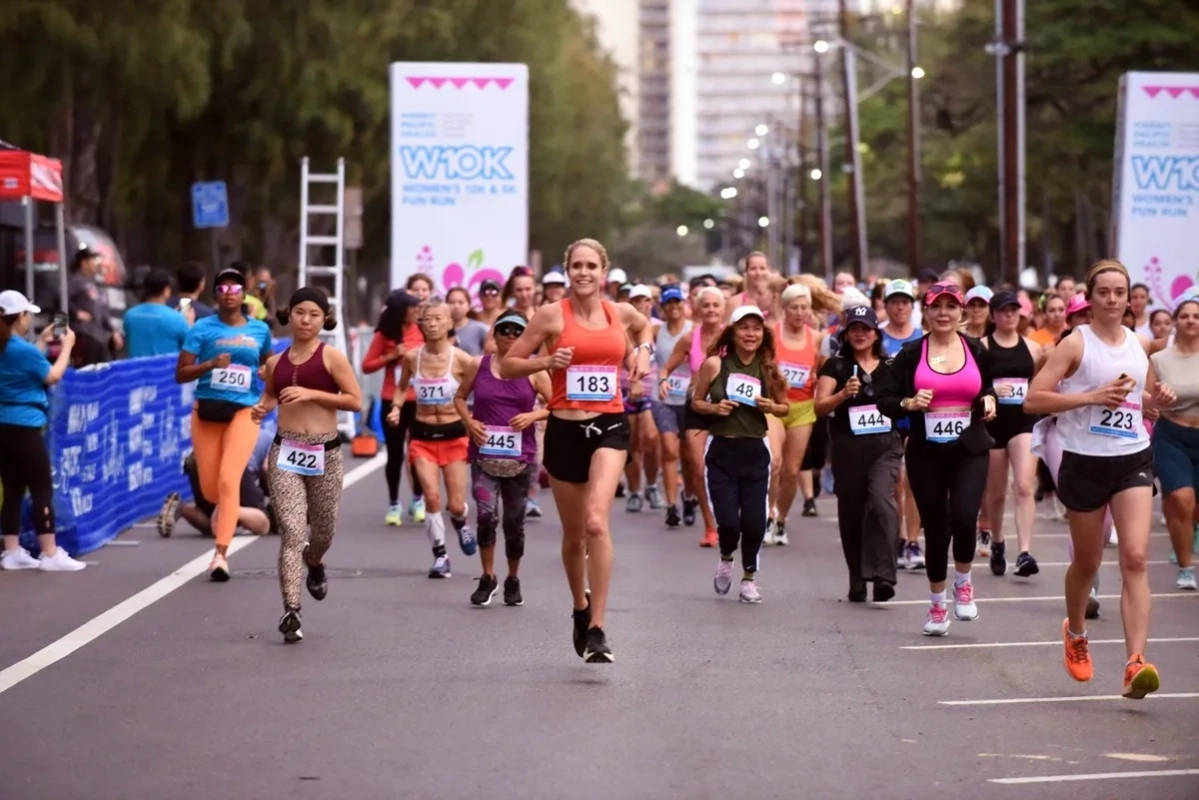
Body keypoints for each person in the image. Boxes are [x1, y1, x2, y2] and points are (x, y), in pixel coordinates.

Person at [499, 238, 653, 664]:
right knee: (574, 536)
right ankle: (580, 608)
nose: (584, 273)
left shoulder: (618, 313)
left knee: (596, 523)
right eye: (577, 266)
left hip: (610, 425)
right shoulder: (551, 316)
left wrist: (642, 351)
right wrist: (545, 364)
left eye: (591, 266)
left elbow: (644, 327)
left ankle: (599, 627)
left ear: (603, 272)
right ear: (568, 271)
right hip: (565, 430)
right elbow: (509, 363)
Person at [1025, 260, 1173, 698]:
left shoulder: (1139, 343)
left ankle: (1135, 662)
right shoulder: (1075, 343)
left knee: (1136, 557)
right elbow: (1034, 399)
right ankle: (1075, 632)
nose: (1112, 299)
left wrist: (1154, 399)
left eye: (1119, 292)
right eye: (1103, 292)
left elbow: (1138, 399)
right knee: (1087, 563)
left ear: (1130, 299)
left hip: (1131, 457)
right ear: (1090, 298)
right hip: (1084, 461)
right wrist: (1089, 396)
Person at [877, 282, 998, 636]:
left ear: (961, 313)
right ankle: (936, 605)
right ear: (926, 312)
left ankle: (963, 582)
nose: (943, 313)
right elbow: (885, 397)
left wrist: (989, 401)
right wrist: (907, 404)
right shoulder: (911, 354)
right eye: (936, 307)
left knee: (963, 516)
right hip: (926, 450)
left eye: (951, 306)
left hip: (969, 448)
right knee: (936, 525)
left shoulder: (976, 349)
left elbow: (987, 388)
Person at [253, 289, 362, 642]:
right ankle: (292, 611)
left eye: (314, 314)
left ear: (324, 319)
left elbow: (355, 401)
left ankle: (315, 562)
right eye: (299, 312)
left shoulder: (332, 358)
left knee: (324, 530)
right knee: (292, 533)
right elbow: (271, 392)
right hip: (286, 451)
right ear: (289, 314)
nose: (305, 320)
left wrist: (312, 393)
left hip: (325, 452)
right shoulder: (275, 361)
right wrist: (262, 406)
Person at [175, 268, 274, 581]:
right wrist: (209, 365)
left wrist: (264, 375)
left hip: (244, 411)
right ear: (215, 294)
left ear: (243, 294)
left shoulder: (259, 330)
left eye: (235, 287)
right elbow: (181, 373)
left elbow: (269, 366)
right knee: (211, 487)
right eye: (222, 287)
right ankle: (224, 513)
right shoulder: (202, 329)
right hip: (207, 410)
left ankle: (220, 555)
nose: (229, 292)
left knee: (230, 480)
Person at [453, 309, 551, 606]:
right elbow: (459, 397)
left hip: (520, 458)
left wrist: (532, 415)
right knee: (485, 516)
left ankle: (512, 577)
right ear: (494, 335)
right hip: (484, 456)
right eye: (504, 330)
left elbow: (558, 405)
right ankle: (487, 576)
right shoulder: (477, 365)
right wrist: (469, 423)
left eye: (517, 331)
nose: (510, 336)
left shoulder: (535, 370)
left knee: (513, 522)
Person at [691, 306, 788, 603]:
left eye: (756, 328)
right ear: (732, 332)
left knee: (755, 522)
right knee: (729, 523)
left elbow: (785, 407)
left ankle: (748, 578)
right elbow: (696, 402)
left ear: (763, 334)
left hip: (755, 450)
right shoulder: (714, 365)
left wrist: (771, 408)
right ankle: (725, 556)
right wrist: (713, 408)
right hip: (722, 450)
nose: (750, 333)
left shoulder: (768, 367)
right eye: (744, 327)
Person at [815, 305, 900, 601]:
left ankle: (884, 576)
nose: (860, 334)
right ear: (846, 333)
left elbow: (904, 401)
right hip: (848, 449)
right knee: (852, 512)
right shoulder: (835, 367)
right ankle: (857, 576)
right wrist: (842, 394)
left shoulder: (890, 367)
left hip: (884, 447)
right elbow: (819, 407)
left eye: (866, 328)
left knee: (881, 500)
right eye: (854, 329)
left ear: (876, 333)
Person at [387, 297, 476, 578]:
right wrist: (397, 408)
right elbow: (401, 389)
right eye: (428, 319)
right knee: (432, 497)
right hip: (423, 436)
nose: (434, 324)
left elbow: (478, 395)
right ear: (420, 324)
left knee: (456, 504)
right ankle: (441, 556)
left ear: (450, 323)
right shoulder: (412, 357)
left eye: (439, 318)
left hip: (454, 437)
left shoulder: (463, 361)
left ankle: (461, 523)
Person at [0, 291, 86, 572]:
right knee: (40, 487)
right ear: (19, 317)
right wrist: (68, 346)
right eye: (28, 315)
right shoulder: (20, 350)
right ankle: (49, 552)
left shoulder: (11, 347)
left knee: (13, 487)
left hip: (3, 424)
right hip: (25, 425)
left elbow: (22, 363)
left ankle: (11, 549)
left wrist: (40, 343)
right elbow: (52, 375)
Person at [980, 290, 1044, 578]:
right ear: (993, 315)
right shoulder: (981, 347)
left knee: (1023, 485)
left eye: (1014, 310)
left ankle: (1025, 552)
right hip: (991, 423)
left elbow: (1040, 381)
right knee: (996, 492)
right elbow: (973, 385)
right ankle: (997, 541)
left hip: (1022, 421)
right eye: (1003, 310)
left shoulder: (1033, 349)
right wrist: (992, 391)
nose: (1009, 315)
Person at [659, 286, 726, 545]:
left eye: (715, 305)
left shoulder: (732, 336)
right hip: (696, 406)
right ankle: (710, 527)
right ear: (697, 309)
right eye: (706, 305)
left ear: (723, 309)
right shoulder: (690, 338)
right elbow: (666, 367)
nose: (710, 309)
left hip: (727, 408)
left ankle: (729, 518)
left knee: (727, 468)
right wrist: (663, 380)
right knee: (698, 468)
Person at [1147, 294, 1199, 590]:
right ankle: (1185, 567)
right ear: (1175, 323)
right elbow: (1146, 401)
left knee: (1193, 507)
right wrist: (1157, 398)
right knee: (1181, 498)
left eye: (1196, 316)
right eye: (1185, 315)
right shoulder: (1159, 359)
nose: (1191, 320)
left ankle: (1186, 529)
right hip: (1171, 436)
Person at [363, 290, 426, 526]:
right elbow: (367, 365)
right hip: (392, 399)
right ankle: (393, 503)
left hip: (419, 399)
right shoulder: (384, 334)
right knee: (395, 454)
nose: (417, 311)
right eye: (413, 307)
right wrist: (391, 356)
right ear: (402, 310)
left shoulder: (421, 330)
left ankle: (418, 499)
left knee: (418, 452)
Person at [766, 283, 823, 545]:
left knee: (791, 470)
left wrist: (816, 380)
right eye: (794, 308)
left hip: (802, 409)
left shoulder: (816, 338)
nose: (800, 313)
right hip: (775, 406)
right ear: (784, 309)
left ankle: (781, 521)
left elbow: (821, 372)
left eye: (804, 307)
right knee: (774, 463)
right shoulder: (771, 334)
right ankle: (768, 513)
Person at [879, 279, 925, 569]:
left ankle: (912, 541)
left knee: (913, 482)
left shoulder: (923, 337)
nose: (900, 307)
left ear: (912, 306)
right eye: (894, 302)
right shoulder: (876, 337)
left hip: (917, 416)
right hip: (887, 416)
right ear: (885, 305)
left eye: (905, 302)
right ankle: (896, 538)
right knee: (895, 483)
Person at [651, 285, 693, 527]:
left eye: (677, 302)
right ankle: (670, 506)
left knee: (688, 456)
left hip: (688, 400)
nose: (674, 306)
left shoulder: (694, 330)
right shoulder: (657, 330)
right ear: (662, 307)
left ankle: (688, 498)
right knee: (669, 450)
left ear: (684, 303)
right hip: (663, 398)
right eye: (669, 303)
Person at [622, 285, 661, 512]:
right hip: (624, 390)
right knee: (631, 444)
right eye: (636, 300)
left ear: (650, 303)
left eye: (645, 300)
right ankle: (635, 491)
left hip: (650, 392)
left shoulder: (657, 329)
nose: (641, 304)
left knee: (651, 439)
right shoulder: (623, 330)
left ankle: (653, 485)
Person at [68, 243, 121, 365]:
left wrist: (113, 331)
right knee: (86, 371)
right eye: (93, 259)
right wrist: (76, 312)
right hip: (84, 335)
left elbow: (102, 310)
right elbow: (59, 300)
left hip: (99, 336)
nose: (97, 263)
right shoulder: (75, 281)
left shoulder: (94, 283)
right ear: (84, 262)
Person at [123, 269, 193, 357]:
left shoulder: (130, 315)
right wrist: (189, 324)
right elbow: (191, 348)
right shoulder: (177, 319)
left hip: (136, 370)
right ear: (166, 291)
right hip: (166, 370)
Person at [729, 252, 779, 322]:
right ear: (746, 272)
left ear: (769, 270)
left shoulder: (778, 300)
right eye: (753, 269)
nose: (758, 273)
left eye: (762, 268)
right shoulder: (734, 302)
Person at [446, 287, 488, 357]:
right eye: (452, 302)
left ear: (469, 305)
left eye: (461, 302)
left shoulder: (479, 328)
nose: (456, 306)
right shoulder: (440, 329)